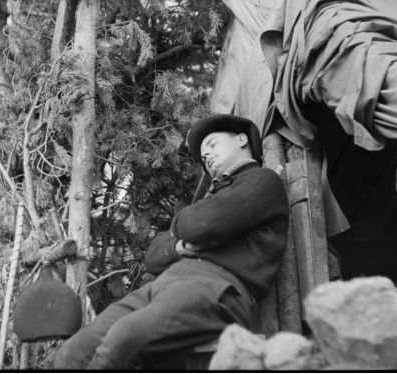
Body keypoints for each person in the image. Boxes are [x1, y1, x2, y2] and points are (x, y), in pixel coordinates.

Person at [54, 114, 289, 370]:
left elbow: (202, 224)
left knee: (123, 340)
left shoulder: (261, 181)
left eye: (212, 145)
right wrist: (179, 245)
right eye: (203, 155)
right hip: (165, 287)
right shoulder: (212, 197)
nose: (206, 156)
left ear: (242, 139)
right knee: (73, 353)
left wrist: (180, 225)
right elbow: (153, 257)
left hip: (214, 289)